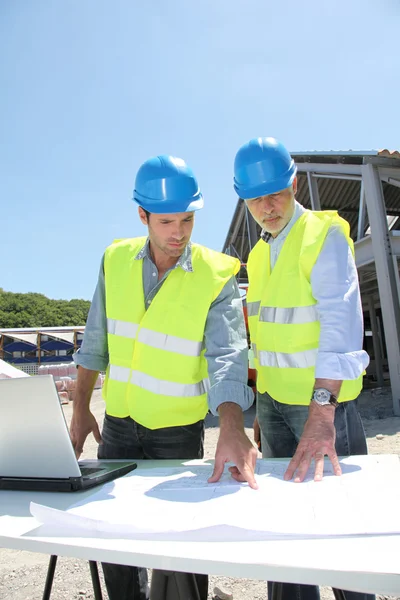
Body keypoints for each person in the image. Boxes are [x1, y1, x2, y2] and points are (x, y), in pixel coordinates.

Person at [70, 154, 257, 600]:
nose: (179, 233)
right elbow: (95, 341)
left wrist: (231, 427)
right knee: (115, 540)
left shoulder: (216, 274)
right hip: (117, 426)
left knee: (181, 548)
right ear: (143, 215)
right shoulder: (114, 260)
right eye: (167, 221)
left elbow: (228, 355)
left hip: (177, 431)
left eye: (188, 219)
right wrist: (79, 410)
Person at [233, 137, 373, 600]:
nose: (267, 207)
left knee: (341, 535)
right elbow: (267, 340)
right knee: (287, 535)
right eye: (255, 199)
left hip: (321, 412)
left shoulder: (324, 236)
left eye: (275, 193)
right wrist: (261, 408)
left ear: (293, 183)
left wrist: (321, 414)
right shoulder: (258, 253)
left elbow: (340, 328)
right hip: (274, 409)